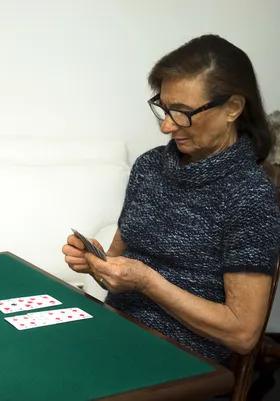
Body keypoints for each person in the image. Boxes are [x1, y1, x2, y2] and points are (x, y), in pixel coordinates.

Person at [63, 34, 280, 366]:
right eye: (164, 109)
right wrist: (95, 263)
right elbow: (118, 269)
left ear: (233, 108)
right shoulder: (150, 167)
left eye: (181, 112)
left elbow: (242, 334)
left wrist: (148, 282)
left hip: (183, 360)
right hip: (114, 333)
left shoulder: (249, 195)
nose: (166, 126)